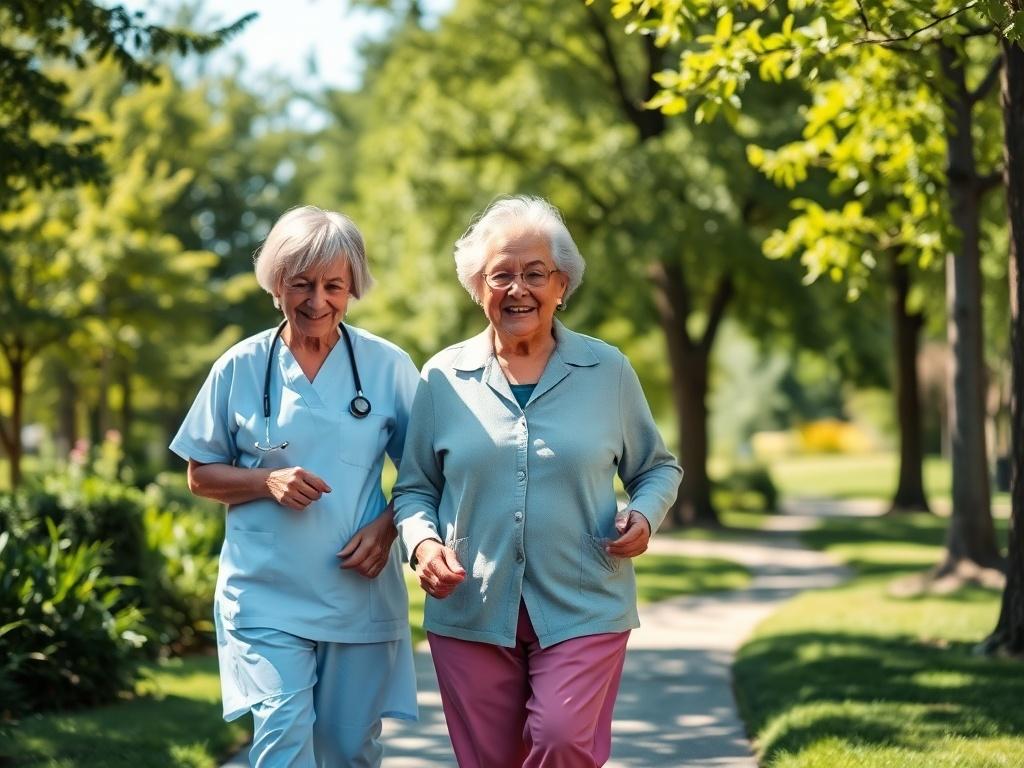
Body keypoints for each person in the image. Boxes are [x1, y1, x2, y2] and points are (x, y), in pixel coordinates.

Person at [394, 195, 683, 768]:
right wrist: (423, 543)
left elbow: (656, 467)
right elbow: (414, 489)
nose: (518, 289)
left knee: (561, 738)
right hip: (471, 604)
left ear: (561, 286)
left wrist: (645, 514)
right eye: (501, 275)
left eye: (534, 274)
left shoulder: (608, 371)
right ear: (479, 287)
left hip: (584, 599)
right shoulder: (443, 377)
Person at [170, 205, 419, 768]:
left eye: (333, 285)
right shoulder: (239, 366)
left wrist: (386, 530)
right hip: (265, 593)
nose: (316, 300)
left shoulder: (389, 368)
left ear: (353, 286)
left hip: (357, 591)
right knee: (282, 738)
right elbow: (199, 472)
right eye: (300, 284)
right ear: (276, 283)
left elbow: (423, 474)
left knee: (347, 750)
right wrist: (265, 480)